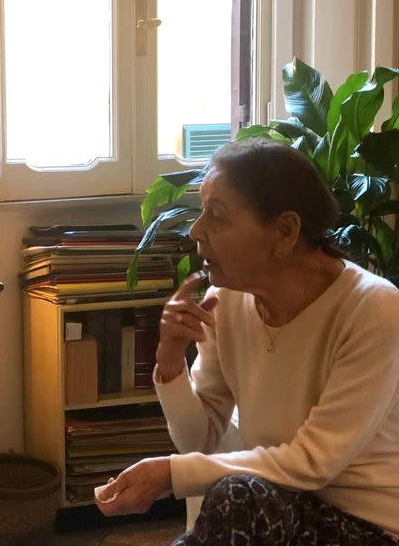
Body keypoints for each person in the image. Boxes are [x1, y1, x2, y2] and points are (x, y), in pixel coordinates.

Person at [95, 138, 399, 544]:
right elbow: (199, 439)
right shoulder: (230, 301)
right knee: (238, 501)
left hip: (365, 526)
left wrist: (169, 473)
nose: (196, 229)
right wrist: (169, 362)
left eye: (216, 216)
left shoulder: (373, 308)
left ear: (285, 231)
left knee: (238, 497)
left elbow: (313, 463)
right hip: (272, 506)